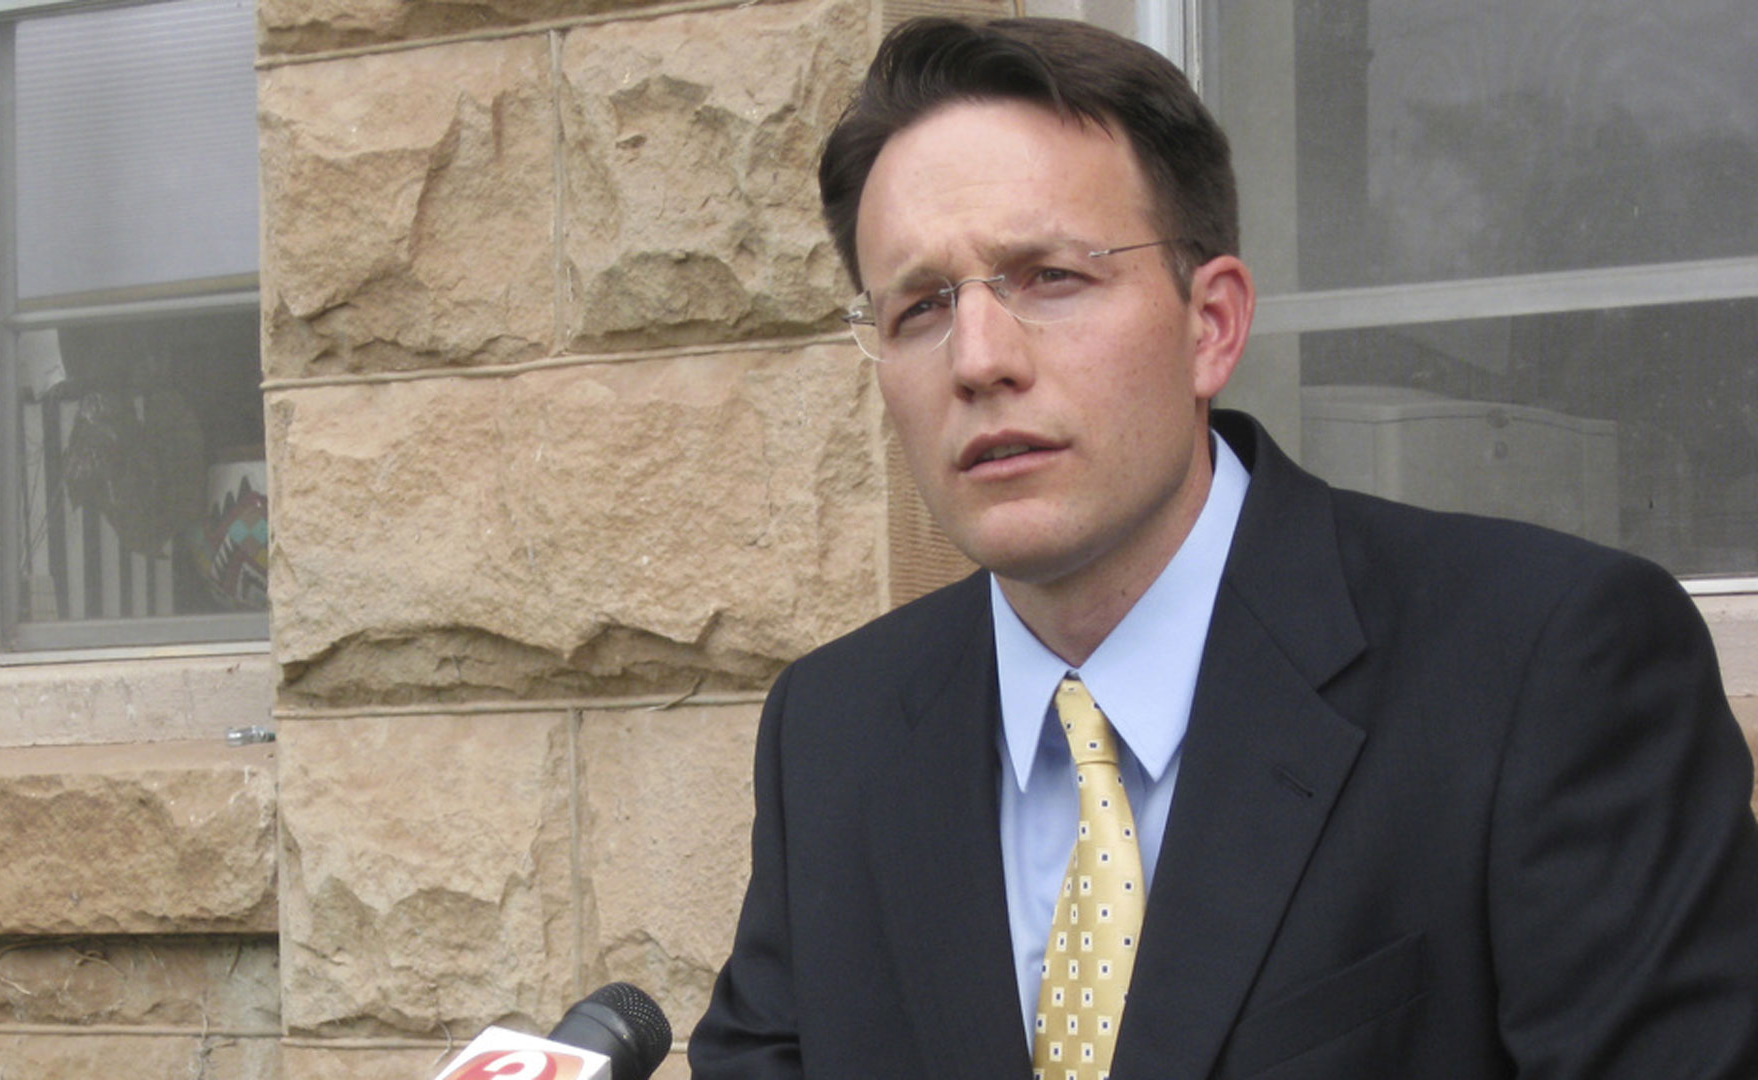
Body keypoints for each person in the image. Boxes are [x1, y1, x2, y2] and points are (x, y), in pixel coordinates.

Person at [687, 16, 1758, 1080]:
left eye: (1049, 277)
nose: (978, 359)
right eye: (920, 306)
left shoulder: (1543, 666)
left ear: (1212, 326)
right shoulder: (835, 731)